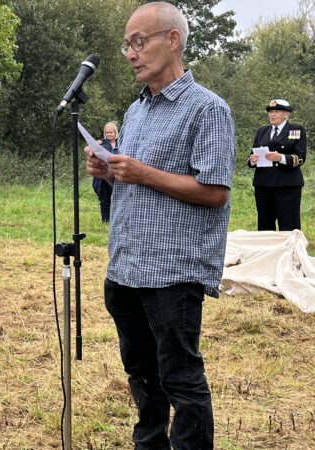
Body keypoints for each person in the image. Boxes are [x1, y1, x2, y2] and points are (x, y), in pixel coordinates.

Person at [85, 2, 235, 448]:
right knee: (142, 374)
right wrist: (109, 172)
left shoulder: (208, 109)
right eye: (126, 45)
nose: (130, 53)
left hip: (173, 270)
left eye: (139, 42)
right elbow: (132, 177)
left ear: (172, 40)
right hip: (127, 266)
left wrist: (142, 172)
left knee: (181, 378)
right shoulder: (136, 112)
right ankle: (149, 442)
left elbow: (216, 191)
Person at [248, 99, 307, 231]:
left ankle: (291, 252)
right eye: (270, 112)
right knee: (265, 225)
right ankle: (267, 251)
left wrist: (280, 157)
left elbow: (301, 157)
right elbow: (252, 154)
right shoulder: (262, 131)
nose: (272, 115)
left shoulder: (296, 130)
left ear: (286, 114)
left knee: (289, 225)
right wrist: (253, 160)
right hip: (263, 185)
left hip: (288, 186)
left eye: (276, 111)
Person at [91, 122, 119, 223]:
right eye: (107, 132)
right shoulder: (101, 143)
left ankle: (116, 220)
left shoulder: (122, 142)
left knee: (118, 199)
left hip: (117, 176)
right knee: (104, 200)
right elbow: (89, 149)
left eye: (111, 132)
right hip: (103, 177)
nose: (109, 134)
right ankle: (105, 221)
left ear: (115, 132)